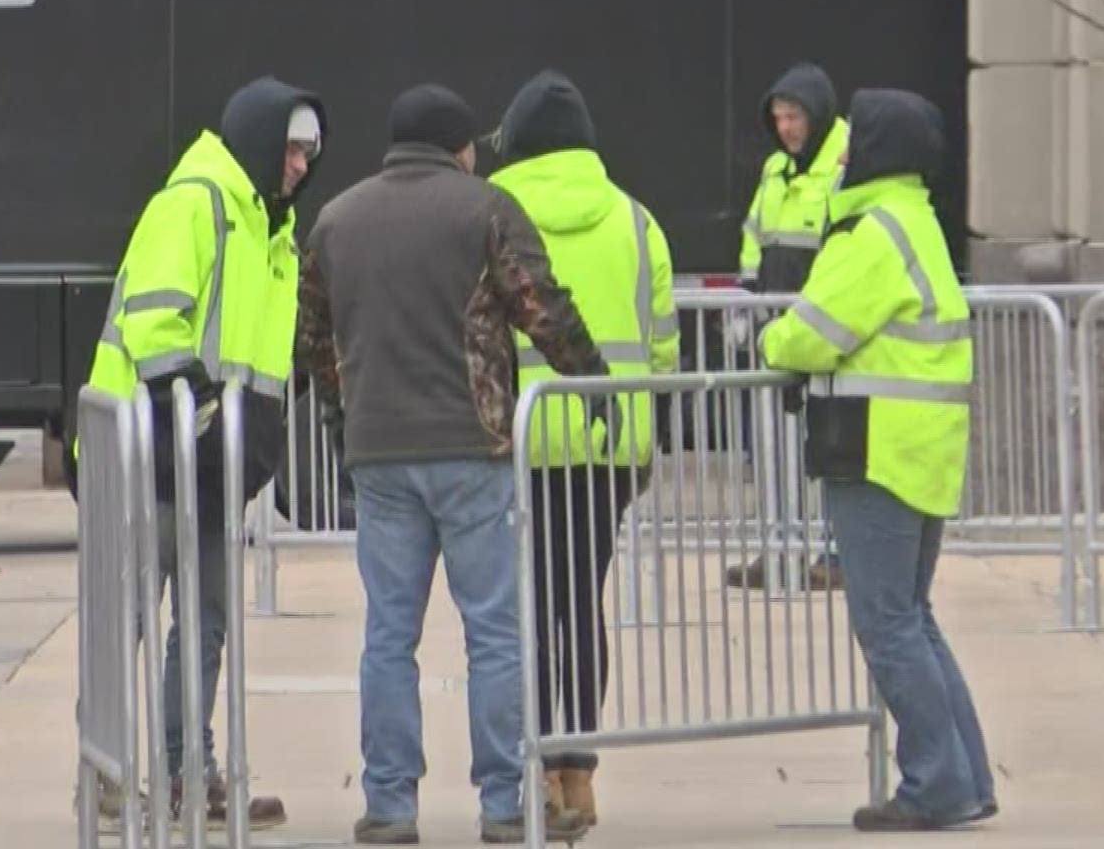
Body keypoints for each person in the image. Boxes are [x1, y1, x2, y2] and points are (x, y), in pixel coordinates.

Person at [297, 83, 609, 846]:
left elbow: (314, 344)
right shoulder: (484, 209)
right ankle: (503, 804)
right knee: (495, 632)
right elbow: (541, 306)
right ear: (460, 147)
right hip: (474, 448)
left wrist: (346, 418)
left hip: (380, 454)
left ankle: (390, 805)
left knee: (388, 635)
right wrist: (592, 377)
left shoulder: (337, 220)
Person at [72, 75, 327, 831]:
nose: (301, 166)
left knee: (206, 617)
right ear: (257, 142)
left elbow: (262, 356)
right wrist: (210, 416)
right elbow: (156, 326)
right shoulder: (194, 204)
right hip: (144, 451)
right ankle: (106, 774)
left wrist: (250, 440)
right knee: (130, 619)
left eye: (310, 151)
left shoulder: (267, 228)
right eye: (290, 149)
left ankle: (189, 771)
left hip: (206, 462)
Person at [760, 88, 996, 832]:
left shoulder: (872, 232)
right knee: (913, 618)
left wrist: (769, 343)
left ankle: (936, 784)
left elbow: (808, 334)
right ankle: (965, 777)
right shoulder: (916, 220)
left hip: (876, 449)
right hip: (920, 450)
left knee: (887, 622)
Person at [484, 70, 679, 829]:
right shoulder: (636, 221)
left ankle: (535, 767)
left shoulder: (494, 215)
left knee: (527, 609)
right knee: (580, 602)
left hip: (519, 444)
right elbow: (662, 347)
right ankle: (580, 770)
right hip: (609, 446)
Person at [729, 61, 851, 591]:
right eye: (778, 118)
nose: (786, 128)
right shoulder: (776, 170)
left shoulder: (847, 164)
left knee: (828, 442)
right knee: (772, 445)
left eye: (794, 116)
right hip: (776, 327)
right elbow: (755, 235)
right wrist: (746, 296)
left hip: (825, 331)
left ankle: (836, 550)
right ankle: (779, 546)